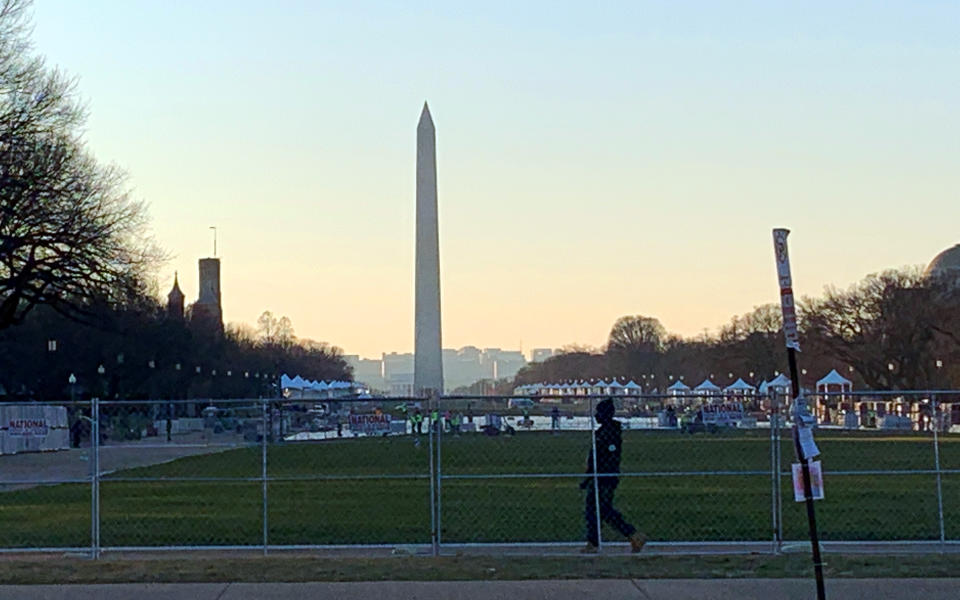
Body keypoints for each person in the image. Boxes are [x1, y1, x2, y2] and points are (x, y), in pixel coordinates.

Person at [579, 398, 646, 553]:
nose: (596, 416)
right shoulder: (603, 432)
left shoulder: (610, 433)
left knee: (601, 509)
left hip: (605, 478)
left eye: (599, 412)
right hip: (597, 476)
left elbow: (608, 457)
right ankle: (597, 540)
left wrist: (599, 473)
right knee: (596, 510)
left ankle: (630, 535)